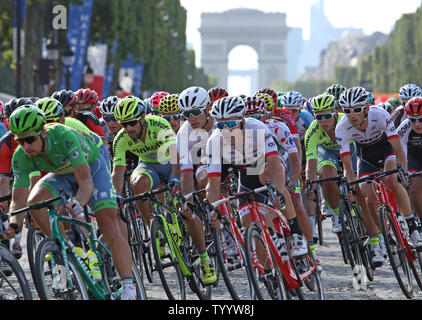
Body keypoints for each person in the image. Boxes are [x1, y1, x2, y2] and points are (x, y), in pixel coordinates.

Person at [6, 105, 136, 299]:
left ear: (43, 132)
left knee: (109, 225)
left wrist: (77, 203)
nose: (25, 146)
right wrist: (13, 227)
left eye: (29, 139)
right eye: (20, 141)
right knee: (35, 203)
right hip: (62, 173)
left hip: (92, 167)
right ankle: (67, 249)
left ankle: (128, 287)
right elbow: (18, 200)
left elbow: (85, 183)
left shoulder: (63, 136)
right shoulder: (21, 156)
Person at [205, 96, 308, 259]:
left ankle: (296, 234)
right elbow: (213, 183)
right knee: (246, 221)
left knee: (267, 177)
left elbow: (274, 164)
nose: (226, 130)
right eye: (220, 125)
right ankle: (268, 273)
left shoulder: (257, 128)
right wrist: (213, 208)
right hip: (245, 169)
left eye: (231, 124)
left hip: (267, 162)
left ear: (242, 121)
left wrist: (278, 191)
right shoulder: (214, 141)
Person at [336, 87, 422, 258]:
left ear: (367, 108)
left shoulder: (381, 115)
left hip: (386, 149)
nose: (352, 115)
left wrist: (403, 173)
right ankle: (387, 238)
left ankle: (412, 225)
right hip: (365, 155)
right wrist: (352, 188)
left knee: (391, 179)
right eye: (347, 111)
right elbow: (348, 168)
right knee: (367, 195)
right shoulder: (342, 128)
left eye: (357, 110)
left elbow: (398, 149)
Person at [398, 97, 422, 242]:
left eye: (421, 119)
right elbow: (399, 151)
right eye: (413, 120)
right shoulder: (405, 127)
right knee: (414, 186)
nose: (417, 124)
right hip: (412, 156)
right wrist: (403, 173)